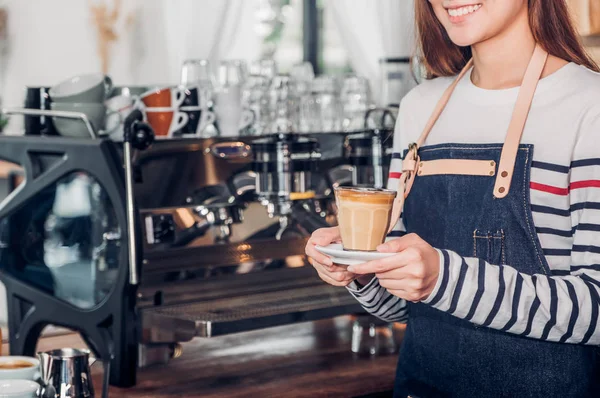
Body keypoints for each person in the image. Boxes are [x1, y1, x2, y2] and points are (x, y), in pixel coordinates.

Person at [305, 1, 600, 396]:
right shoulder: (419, 108)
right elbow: (403, 310)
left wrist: (441, 277)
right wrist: (359, 269)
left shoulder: (589, 106)